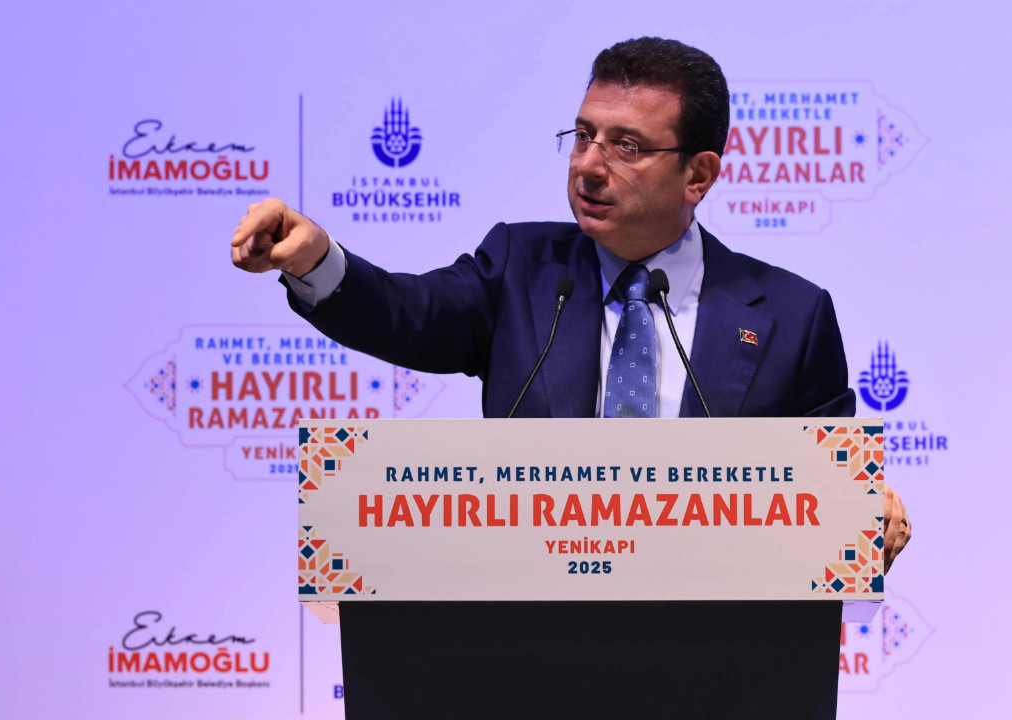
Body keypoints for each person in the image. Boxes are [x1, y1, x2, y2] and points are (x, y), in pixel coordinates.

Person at [233, 37, 911, 717]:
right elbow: (408, 313)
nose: (588, 165)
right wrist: (316, 260)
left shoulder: (791, 316)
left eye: (627, 146)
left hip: (714, 681)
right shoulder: (522, 269)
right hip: (519, 672)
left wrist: (864, 518)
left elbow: (825, 497)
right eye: (583, 136)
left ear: (698, 175)